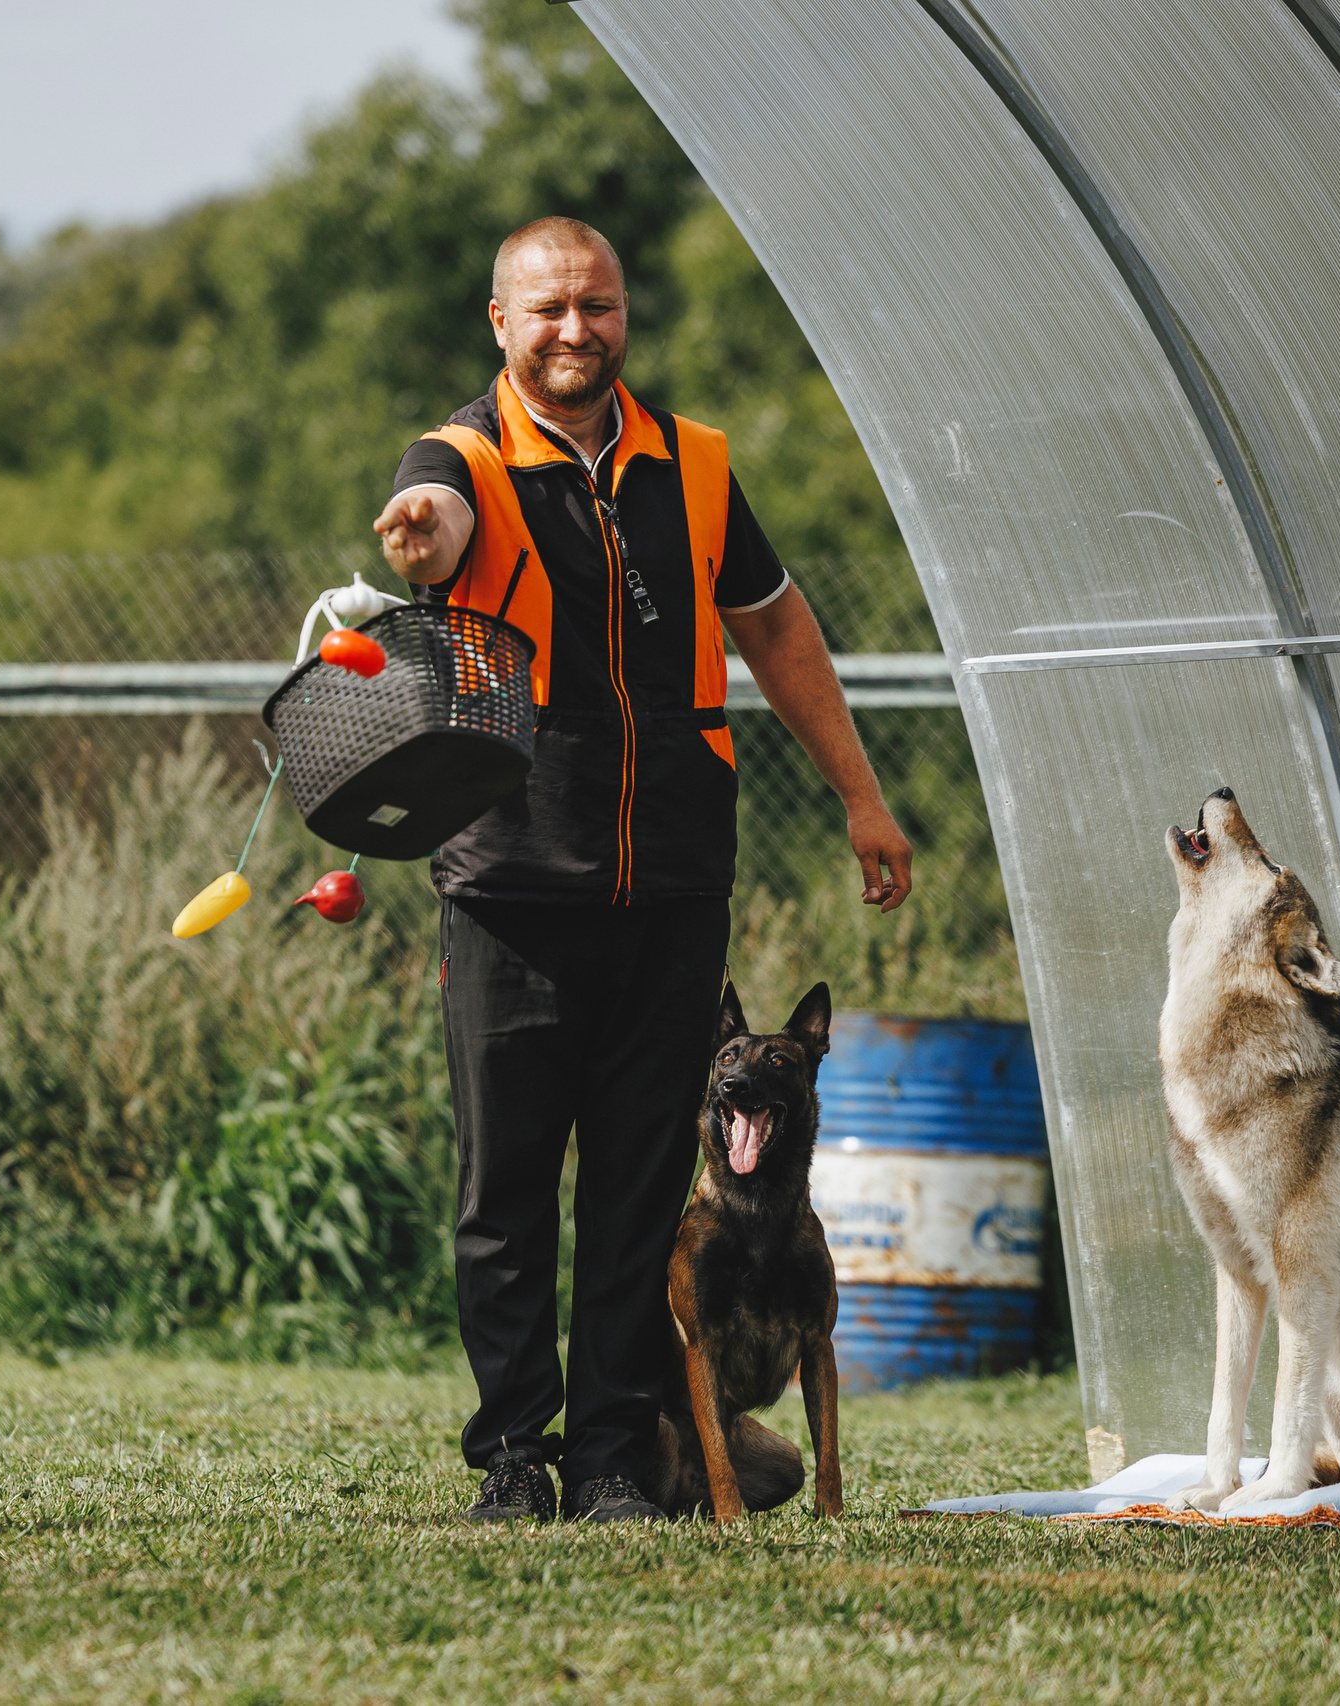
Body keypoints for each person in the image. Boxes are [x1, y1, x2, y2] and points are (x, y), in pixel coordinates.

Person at [372, 217, 913, 1523]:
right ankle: (515, 1454)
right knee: (504, 1192)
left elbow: (776, 627)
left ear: (626, 315)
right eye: (547, 309)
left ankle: (614, 1456)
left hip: (673, 886)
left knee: (632, 1192)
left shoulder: (701, 467)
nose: (576, 330)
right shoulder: (462, 457)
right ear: (499, 322)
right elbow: (430, 521)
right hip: (510, 884)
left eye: (598, 306)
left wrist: (862, 795)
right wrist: (418, 538)